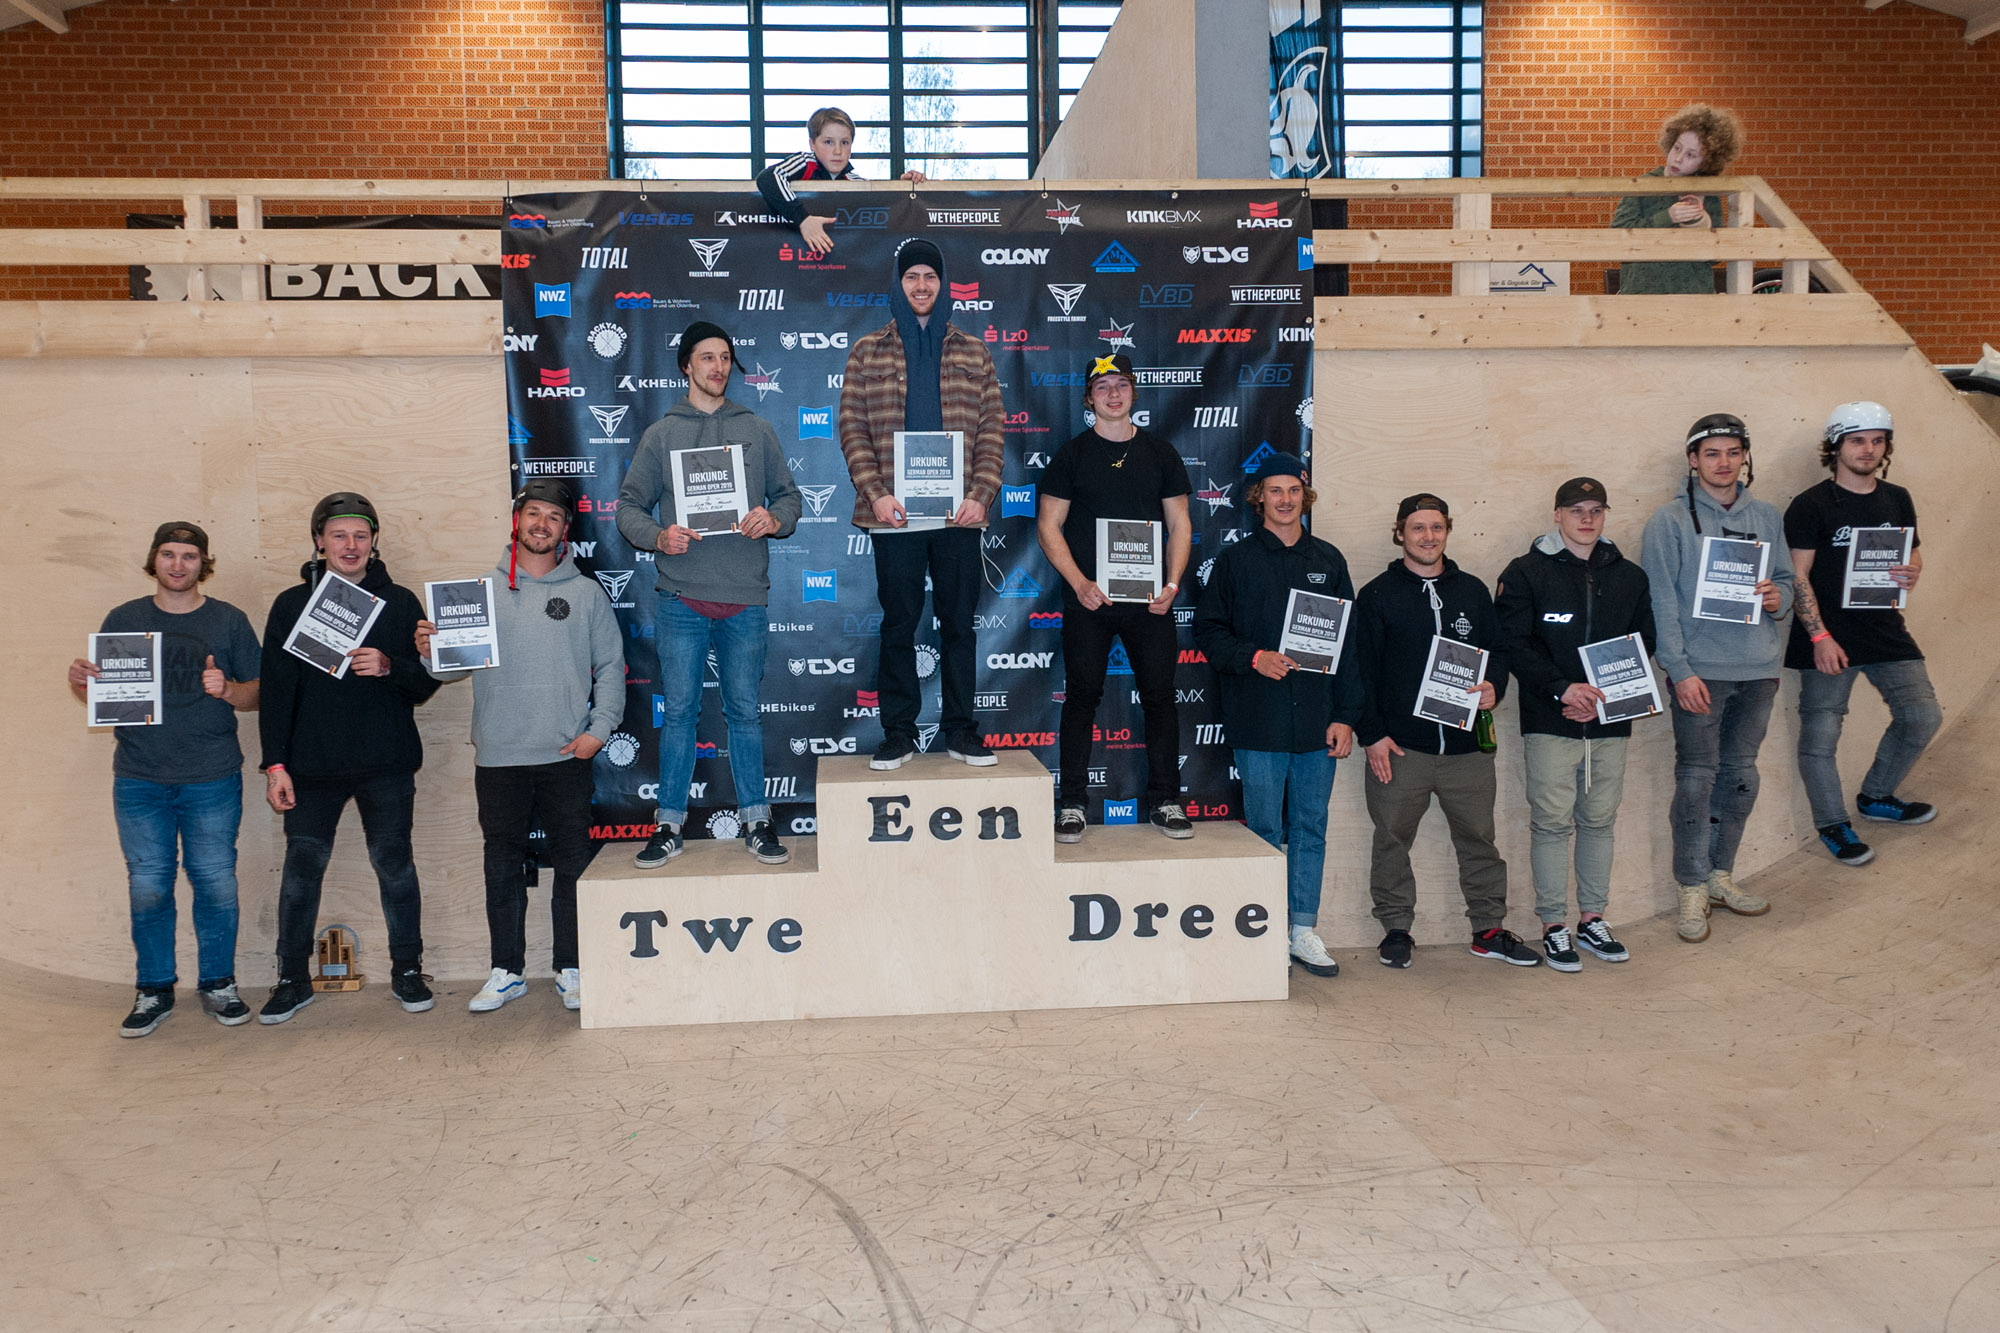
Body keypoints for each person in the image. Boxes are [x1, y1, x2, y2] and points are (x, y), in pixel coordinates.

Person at [417, 478, 625, 1014]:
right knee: (500, 866)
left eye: (553, 517)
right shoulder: (477, 593)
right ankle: (506, 971)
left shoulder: (585, 593)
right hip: (500, 756)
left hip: (564, 756)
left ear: (564, 530)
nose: (541, 524)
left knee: (573, 864)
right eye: (533, 513)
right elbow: (448, 670)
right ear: (517, 520)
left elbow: (611, 670)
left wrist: (597, 733)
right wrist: (429, 650)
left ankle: (571, 967)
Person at [619, 320, 802, 869]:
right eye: (706, 358)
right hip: (681, 598)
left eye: (725, 358)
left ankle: (757, 820)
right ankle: (669, 825)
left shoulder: (757, 429)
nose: (718, 367)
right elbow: (628, 507)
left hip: (744, 597)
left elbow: (791, 500)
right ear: (686, 366)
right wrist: (658, 536)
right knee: (679, 715)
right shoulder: (661, 435)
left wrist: (773, 518)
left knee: (744, 713)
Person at [69, 522, 261, 1037]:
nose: (179, 565)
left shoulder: (229, 620)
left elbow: (258, 692)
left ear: (205, 563)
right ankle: (153, 988)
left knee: (216, 882)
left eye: (190, 556)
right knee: (149, 886)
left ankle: (219, 983)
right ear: (154, 560)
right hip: (139, 778)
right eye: (169, 554)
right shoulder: (124, 619)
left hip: (211, 776)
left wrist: (228, 690)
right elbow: (108, 700)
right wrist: (83, 686)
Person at [258, 493, 442, 1024]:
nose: (350, 545)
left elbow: (423, 684)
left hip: (386, 764)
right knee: (300, 873)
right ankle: (293, 978)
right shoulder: (292, 605)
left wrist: (391, 666)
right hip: (311, 769)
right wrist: (275, 764)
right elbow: (276, 693)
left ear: (374, 542)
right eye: (339, 535)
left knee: (396, 867)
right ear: (320, 541)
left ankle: (407, 971)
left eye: (360, 535)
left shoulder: (402, 602)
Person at [839, 238, 1007, 771]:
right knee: (899, 625)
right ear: (898, 282)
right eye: (911, 276)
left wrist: (980, 496)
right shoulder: (867, 350)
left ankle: (960, 730)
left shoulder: (974, 351)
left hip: (958, 515)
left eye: (929, 277)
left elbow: (992, 431)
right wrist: (878, 494)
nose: (921, 286)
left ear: (943, 284)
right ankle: (899, 733)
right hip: (894, 515)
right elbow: (852, 430)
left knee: (959, 625)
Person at [1193, 453, 1360, 978]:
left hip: (1317, 721)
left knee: (1310, 825)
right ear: (1259, 497)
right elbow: (1209, 633)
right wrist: (1253, 657)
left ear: (1304, 496)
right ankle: (1262, 929)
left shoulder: (1330, 560)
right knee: (1263, 827)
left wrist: (1345, 716)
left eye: (1293, 490)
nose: (1285, 499)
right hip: (1258, 719)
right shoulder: (1236, 562)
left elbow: (1349, 648)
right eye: (1275, 490)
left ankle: (1303, 930)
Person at [1353, 494, 1525, 968]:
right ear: (1400, 533)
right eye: (1417, 528)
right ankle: (1395, 929)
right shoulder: (1376, 595)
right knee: (1391, 840)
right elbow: (1359, 672)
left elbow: (1498, 650)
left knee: (1480, 842)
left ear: (1447, 531)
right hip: (1401, 750)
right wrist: (1372, 736)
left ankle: (1487, 928)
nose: (1428, 537)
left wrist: (1495, 685)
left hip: (1468, 751)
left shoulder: (1471, 590)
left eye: (1436, 528)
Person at [1640, 414, 1794, 943]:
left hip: (1758, 670)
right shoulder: (1669, 521)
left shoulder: (1768, 516)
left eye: (1732, 452)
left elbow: (1785, 582)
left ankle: (1719, 876)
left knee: (1740, 776)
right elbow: (1661, 599)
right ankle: (1690, 886)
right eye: (1711, 454)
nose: (1723, 462)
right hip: (1701, 676)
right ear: (1693, 461)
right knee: (1696, 779)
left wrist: (1781, 599)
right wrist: (1678, 670)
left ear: (1744, 457)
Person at [1494, 478, 1657, 972]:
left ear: (1605, 514)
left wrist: (1603, 701)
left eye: (1595, 510)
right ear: (1558, 515)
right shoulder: (1525, 573)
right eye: (1576, 510)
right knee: (1550, 823)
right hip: (1551, 720)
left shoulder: (1630, 576)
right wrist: (1564, 689)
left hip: (1608, 722)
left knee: (1600, 821)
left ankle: (1592, 918)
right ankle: (1553, 925)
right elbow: (1514, 643)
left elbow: (1643, 642)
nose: (1586, 519)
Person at [1038, 353, 1194, 840]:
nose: (1112, 393)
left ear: (1133, 393)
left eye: (1121, 384)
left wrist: (1172, 585)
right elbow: (1048, 526)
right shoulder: (1071, 455)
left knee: (1160, 699)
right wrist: (1079, 582)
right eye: (1102, 386)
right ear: (1089, 397)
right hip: (1092, 600)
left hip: (1151, 602)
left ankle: (1166, 799)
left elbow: (1180, 524)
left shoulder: (1161, 453)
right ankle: (1072, 804)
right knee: (1082, 697)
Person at [1785, 400, 1941, 867]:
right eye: (1857, 440)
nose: (1868, 449)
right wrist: (1820, 637)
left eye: (1877, 441)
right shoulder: (1809, 505)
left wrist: (1911, 572)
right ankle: (1833, 824)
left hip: (1886, 631)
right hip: (1828, 638)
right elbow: (1797, 577)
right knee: (1820, 738)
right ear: (1835, 447)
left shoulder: (1898, 497)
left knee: (1922, 717)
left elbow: (1913, 553)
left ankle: (1876, 797)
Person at [1609, 103, 1745, 295]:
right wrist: (1668, 217)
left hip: (1692, 299)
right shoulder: (1642, 185)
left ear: (1706, 161)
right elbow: (1617, 236)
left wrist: (1701, 221)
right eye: (1677, 148)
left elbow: (1715, 257)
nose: (1678, 158)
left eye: (1690, 155)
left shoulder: (1708, 192)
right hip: (1642, 297)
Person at [753, 106, 925, 256]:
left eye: (844, 143)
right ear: (812, 144)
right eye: (828, 142)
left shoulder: (855, 181)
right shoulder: (806, 162)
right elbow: (768, 178)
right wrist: (803, 220)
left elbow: (883, 204)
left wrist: (902, 187)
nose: (837, 151)